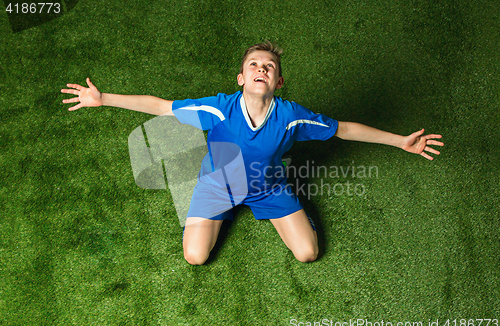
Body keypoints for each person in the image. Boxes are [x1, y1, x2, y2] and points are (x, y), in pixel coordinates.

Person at [61, 41, 444, 265]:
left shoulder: (292, 117)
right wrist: (103, 99)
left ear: (279, 80)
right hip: (216, 187)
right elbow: (160, 105)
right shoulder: (217, 109)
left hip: (269, 188)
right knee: (195, 256)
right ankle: (212, 217)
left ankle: (287, 216)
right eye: (254, 65)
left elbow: (343, 129)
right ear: (242, 78)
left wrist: (399, 140)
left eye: (270, 66)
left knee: (308, 254)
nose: (262, 69)